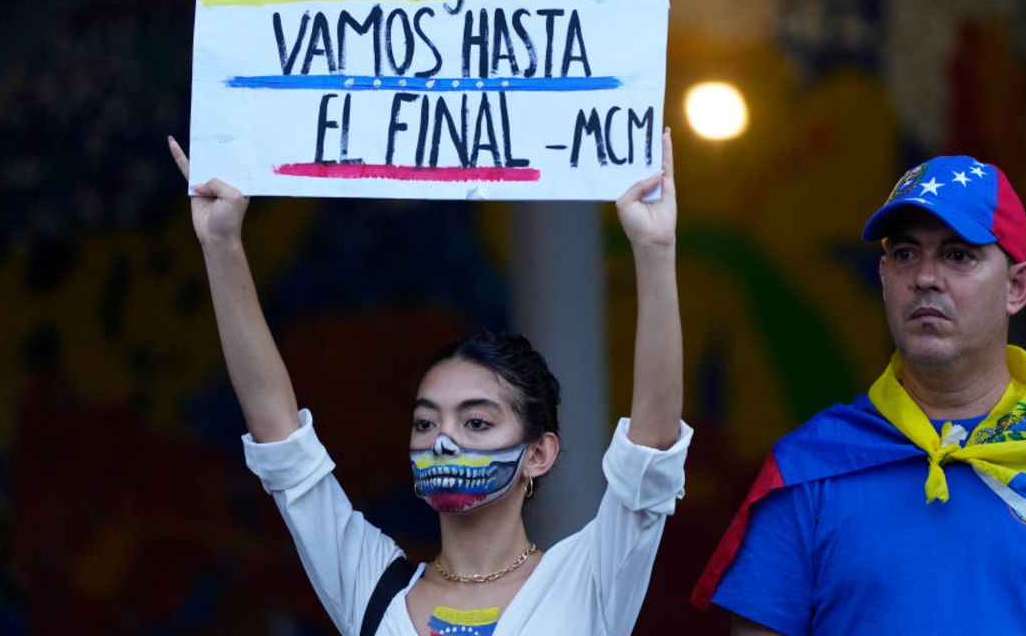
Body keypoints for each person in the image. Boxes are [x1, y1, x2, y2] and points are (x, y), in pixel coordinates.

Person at [168, 131, 690, 636]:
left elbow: (650, 450)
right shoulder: (371, 587)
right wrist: (221, 243)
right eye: (425, 421)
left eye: (477, 421)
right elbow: (281, 440)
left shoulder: (590, 580)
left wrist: (654, 248)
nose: (443, 439)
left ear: (539, 453)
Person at [690, 155, 1026, 636]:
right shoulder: (811, 468)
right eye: (904, 254)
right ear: (883, 275)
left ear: (1017, 287)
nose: (925, 277)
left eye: (958, 255)